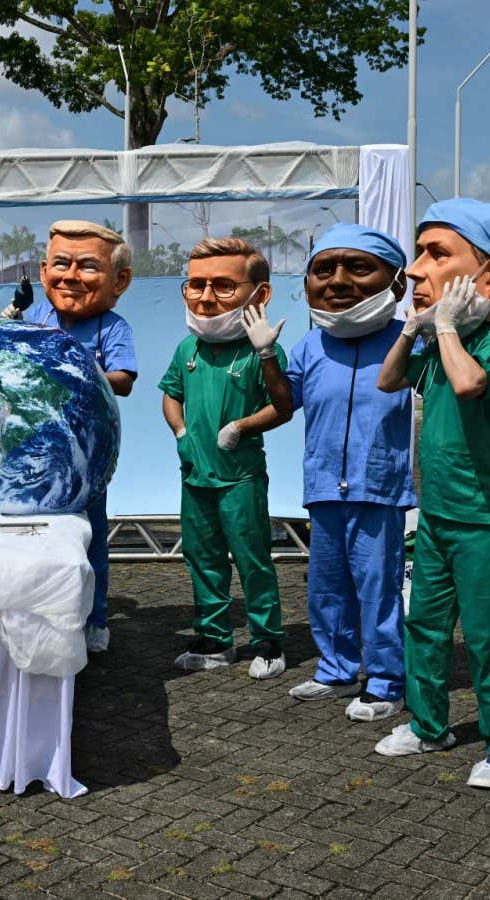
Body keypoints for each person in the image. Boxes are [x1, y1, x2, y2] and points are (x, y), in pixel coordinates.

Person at [375, 199, 490, 788]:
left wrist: (446, 327)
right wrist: (412, 327)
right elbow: (388, 380)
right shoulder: (441, 343)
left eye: (437, 254)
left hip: (483, 517)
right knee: (423, 624)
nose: (415, 270)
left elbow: (471, 383)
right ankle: (430, 726)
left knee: (486, 633)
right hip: (438, 514)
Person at [285, 224, 415, 721]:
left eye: (358, 268)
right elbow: (280, 404)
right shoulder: (309, 346)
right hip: (322, 486)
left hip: (378, 486)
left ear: (397, 284)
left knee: (377, 588)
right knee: (325, 585)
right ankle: (336, 668)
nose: (338, 280)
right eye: (324, 269)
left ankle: (386, 680)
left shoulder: (408, 344)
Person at [159, 237, 293, 679]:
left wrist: (243, 426)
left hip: (241, 479)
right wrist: (180, 431)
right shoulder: (187, 349)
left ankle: (267, 641)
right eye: (196, 285)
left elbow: (283, 405)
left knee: (252, 558)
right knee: (203, 558)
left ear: (261, 293)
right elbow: (171, 395)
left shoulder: (260, 348)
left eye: (222, 286)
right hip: (196, 476)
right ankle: (215, 639)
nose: (206, 297)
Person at [5, 220, 137, 655]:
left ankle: (95, 617)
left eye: (87, 267)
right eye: (61, 264)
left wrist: (79, 368)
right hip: (32, 453)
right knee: (30, 539)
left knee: (90, 539)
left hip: (87, 455)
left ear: (119, 281)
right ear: (43, 272)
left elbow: (124, 379)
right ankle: (35, 613)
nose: (71, 277)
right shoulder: (36, 318)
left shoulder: (112, 327)